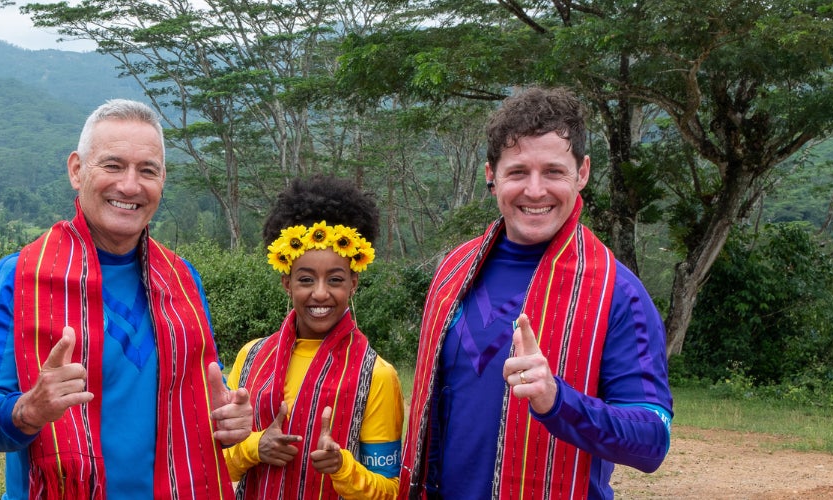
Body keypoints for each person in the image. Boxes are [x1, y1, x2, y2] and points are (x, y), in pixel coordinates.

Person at [0, 99, 252, 500]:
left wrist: (230, 419)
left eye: (147, 171)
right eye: (113, 165)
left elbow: (208, 391)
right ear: (76, 170)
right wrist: (29, 409)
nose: (130, 185)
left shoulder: (182, 279)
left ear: (162, 180)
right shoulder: (16, 277)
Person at [399, 87, 673, 499]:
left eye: (553, 172)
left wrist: (556, 400)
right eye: (517, 172)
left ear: (582, 173)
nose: (535, 190)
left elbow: (651, 441)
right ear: (491, 175)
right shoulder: (454, 270)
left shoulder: (616, 292)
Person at [224, 176, 404, 500]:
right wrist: (254, 447)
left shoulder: (376, 376)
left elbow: (391, 490)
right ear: (286, 283)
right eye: (306, 279)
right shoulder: (251, 357)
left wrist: (341, 468)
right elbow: (212, 462)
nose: (320, 293)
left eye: (335, 279)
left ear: (354, 283)